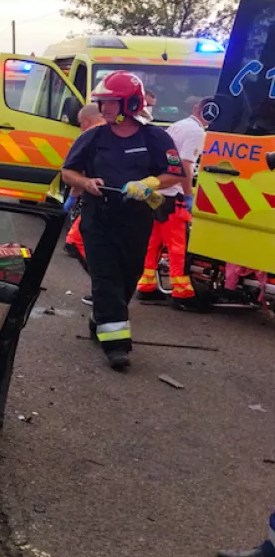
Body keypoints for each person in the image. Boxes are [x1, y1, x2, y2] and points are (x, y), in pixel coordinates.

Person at [61, 71, 186, 371]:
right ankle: (117, 345)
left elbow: (175, 172)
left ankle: (101, 318)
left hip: (136, 219)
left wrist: (151, 183)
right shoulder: (92, 137)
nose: (104, 109)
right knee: (105, 276)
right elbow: (68, 171)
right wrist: (86, 182)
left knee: (127, 276)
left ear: (129, 103)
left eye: (110, 103)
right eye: (101, 103)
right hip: (99, 217)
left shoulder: (155, 137)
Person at [136, 96, 211, 309]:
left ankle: (146, 285)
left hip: (158, 193)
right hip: (172, 195)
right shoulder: (196, 132)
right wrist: (188, 195)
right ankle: (182, 294)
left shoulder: (178, 126)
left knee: (153, 242)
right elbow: (186, 167)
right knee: (178, 246)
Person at [64, 103, 106, 305]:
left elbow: (77, 173)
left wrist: (72, 198)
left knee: (74, 243)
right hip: (122, 204)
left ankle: (104, 289)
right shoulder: (116, 135)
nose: (80, 127)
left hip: (97, 204)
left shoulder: (89, 136)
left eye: (81, 123)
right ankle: (107, 288)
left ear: (86, 121)